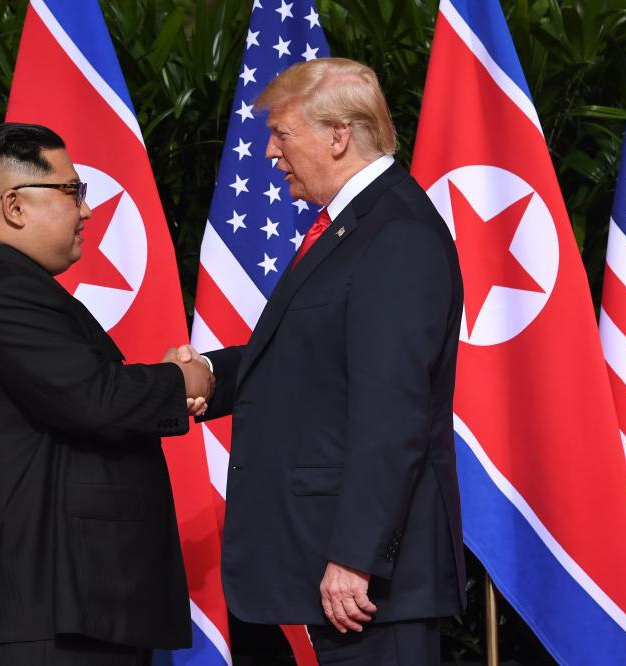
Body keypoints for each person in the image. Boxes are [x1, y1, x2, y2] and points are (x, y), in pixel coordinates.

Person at [191, 57, 466, 665]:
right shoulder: (351, 228)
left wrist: (356, 555)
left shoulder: (396, 234)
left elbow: (393, 412)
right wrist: (210, 373)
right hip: (336, 575)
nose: (268, 151)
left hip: (368, 585)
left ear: (338, 135)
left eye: (282, 133)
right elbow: (308, 361)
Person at [0, 122, 212, 665]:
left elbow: (81, 393)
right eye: (72, 191)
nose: (86, 210)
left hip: (55, 607)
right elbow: (96, 399)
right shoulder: (5, 291)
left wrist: (182, 380)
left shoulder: (2, 283)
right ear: (15, 205)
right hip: (44, 610)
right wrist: (185, 379)